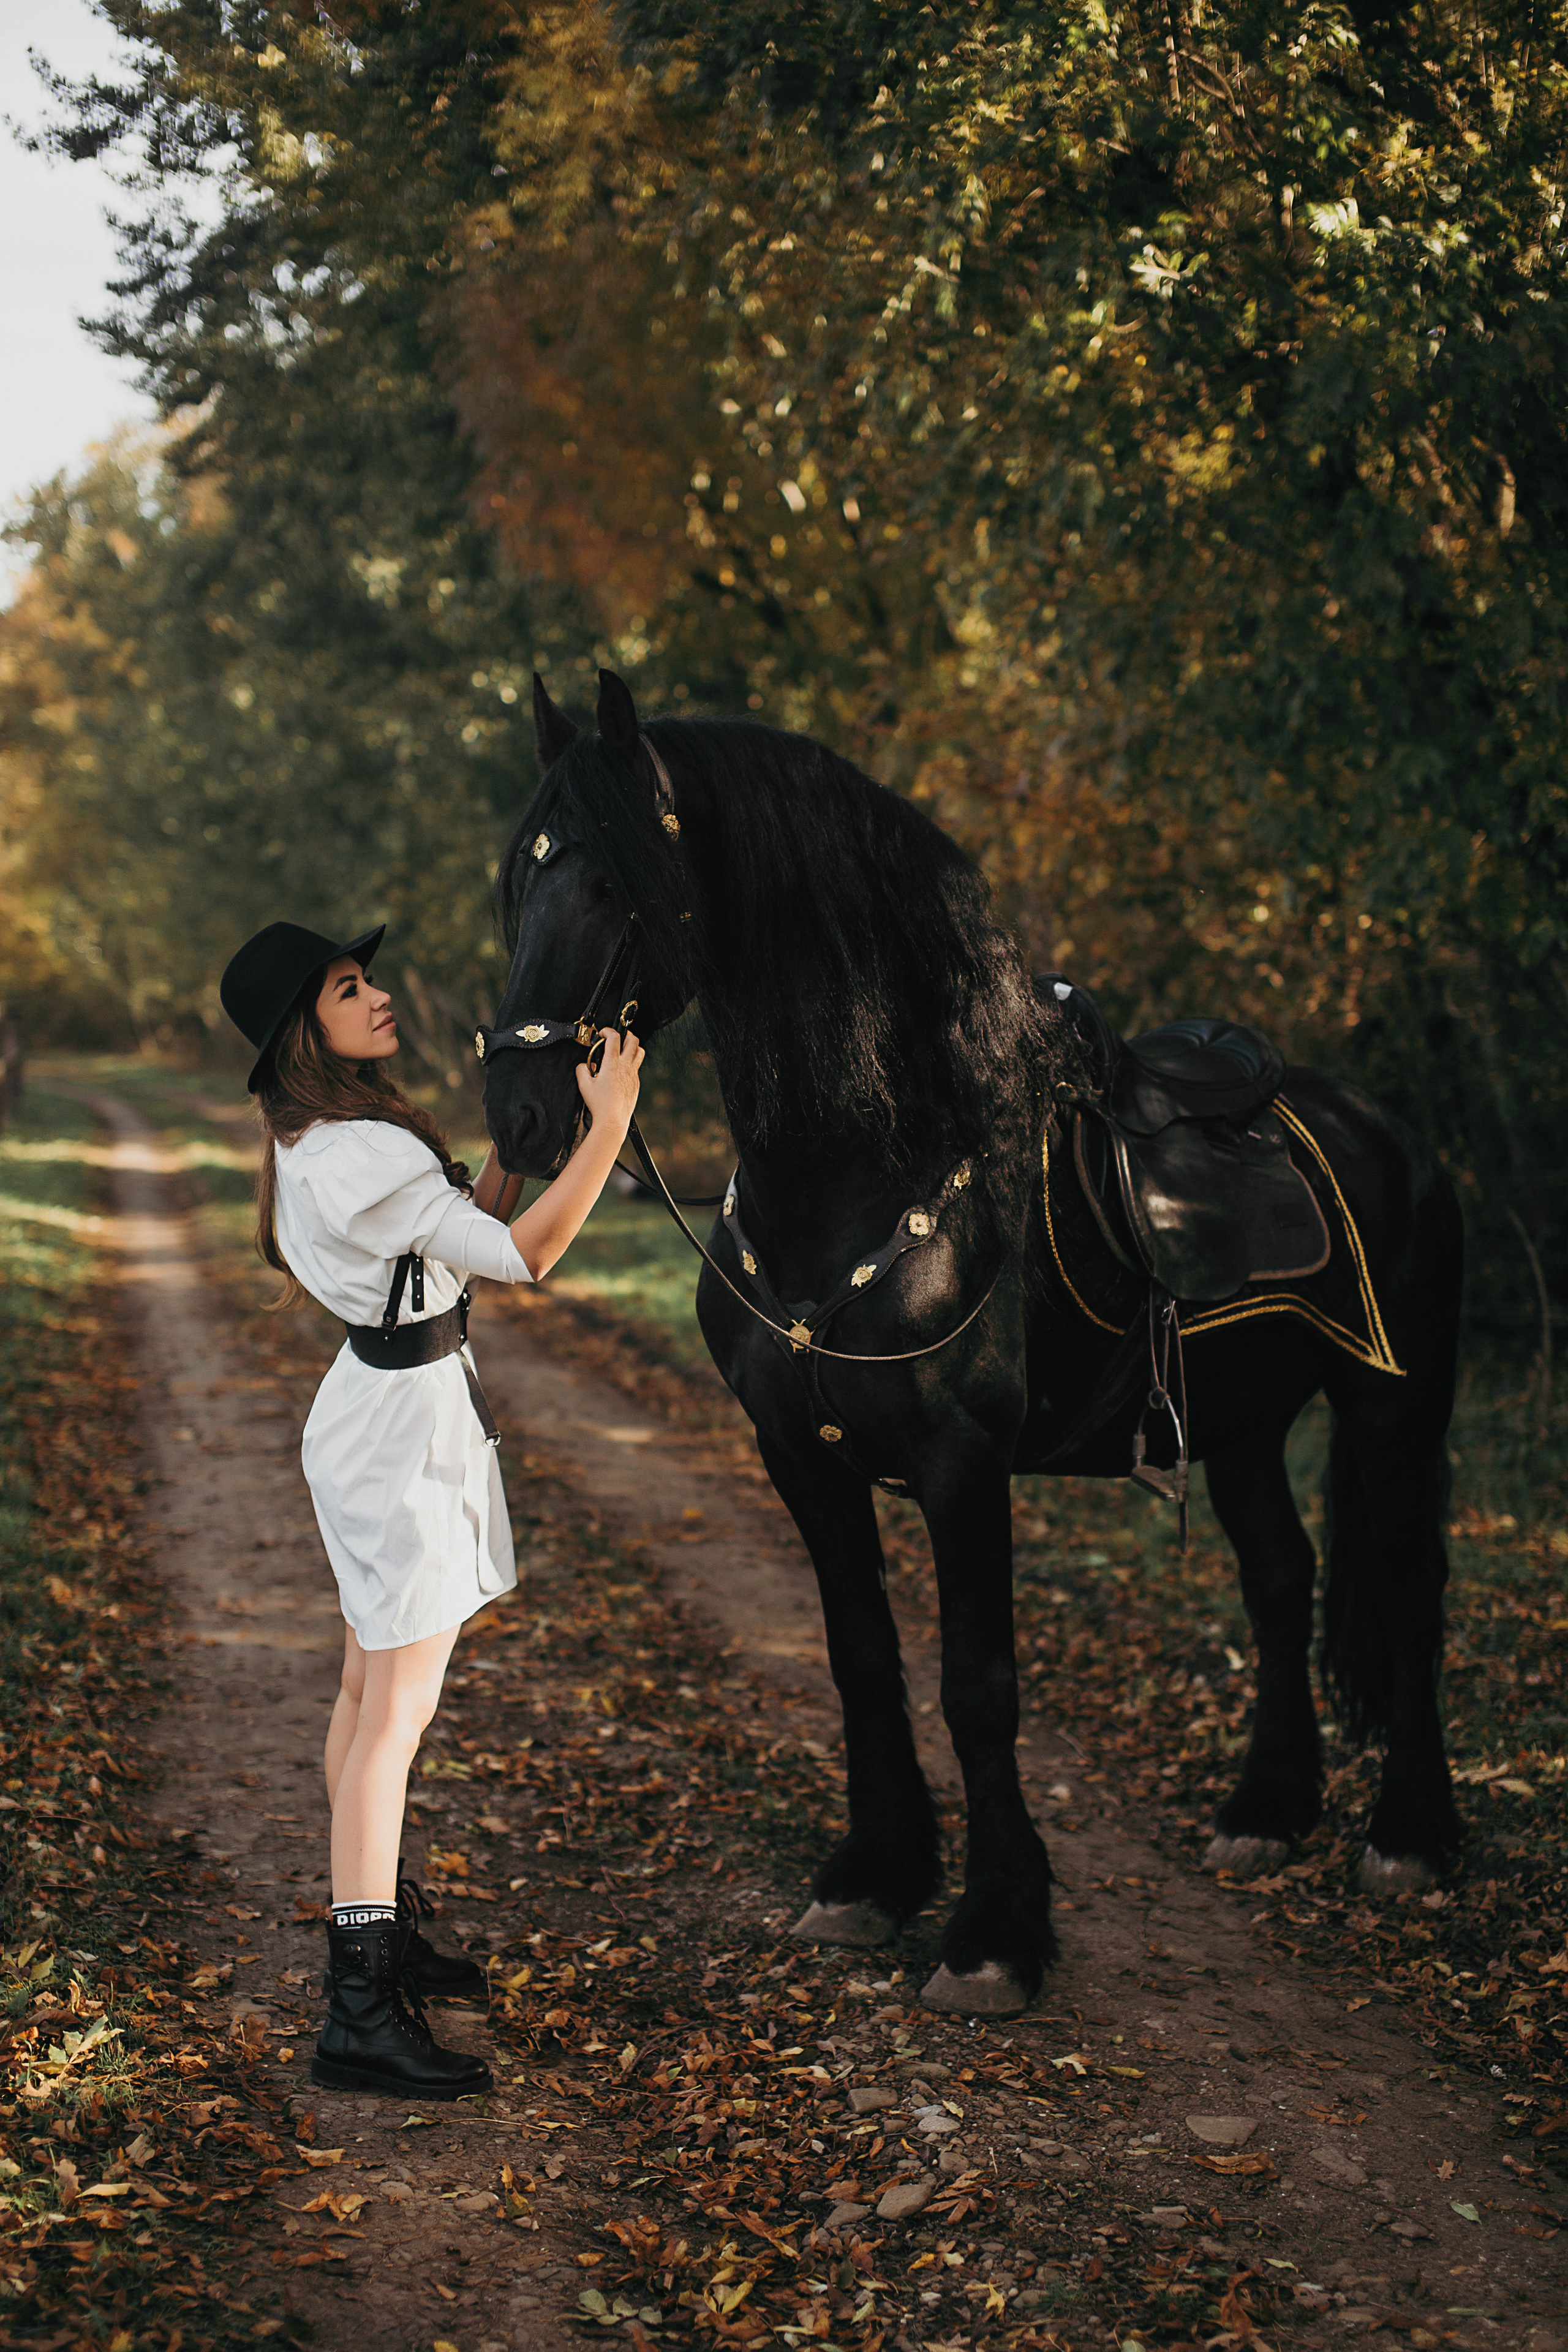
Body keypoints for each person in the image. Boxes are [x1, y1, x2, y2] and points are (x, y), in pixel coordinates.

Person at [219, 920, 643, 2098]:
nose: (381, 997)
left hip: (387, 1410)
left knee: (367, 1698)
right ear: (309, 1028)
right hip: (397, 1435)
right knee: (393, 1720)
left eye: (369, 980)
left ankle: (384, 1934)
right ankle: (357, 2008)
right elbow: (525, 1255)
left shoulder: (333, 1141)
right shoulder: (353, 1153)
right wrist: (606, 1128)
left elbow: (460, 1235)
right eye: (352, 990)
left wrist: (517, 1144)